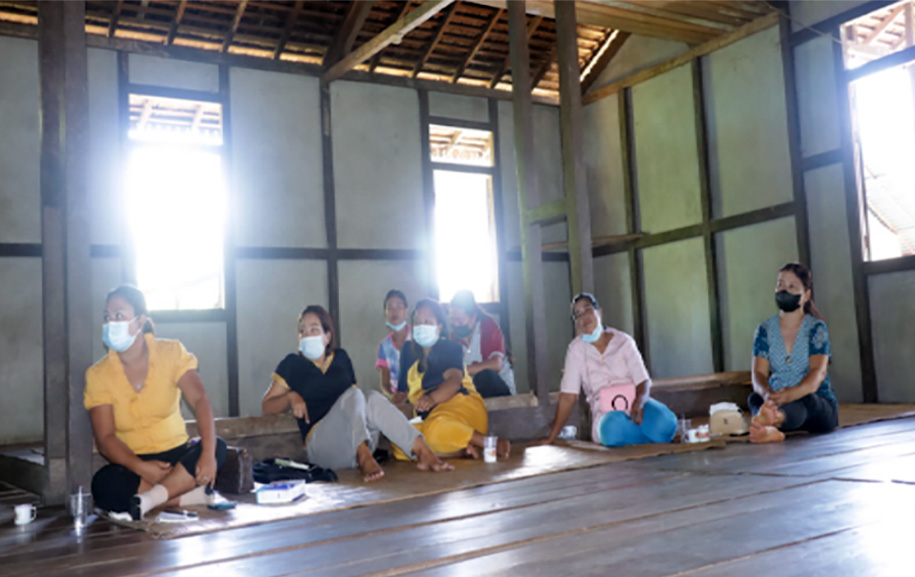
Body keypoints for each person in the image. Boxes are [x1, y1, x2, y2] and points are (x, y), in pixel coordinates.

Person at [85, 285, 227, 520]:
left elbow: (200, 398)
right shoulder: (98, 374)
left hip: (178, 459)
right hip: (135, 463)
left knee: (217, 447)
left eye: (119, 315)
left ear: (140, 321)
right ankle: (187, 496)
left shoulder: (171, 352)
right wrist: (141, 468)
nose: (111, 323)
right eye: (106, 317)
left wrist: (208, 454)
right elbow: (105, 439)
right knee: (104, 485)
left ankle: (149, 500)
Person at [261, 305, 451, 482]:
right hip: (322, 446)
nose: (306, 335)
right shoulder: (292, 364)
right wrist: (291, 396)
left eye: (314, 329)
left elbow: (359, 406)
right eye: (302, 331)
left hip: (355, 438)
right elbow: (267, 406)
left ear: (327, 336)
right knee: (354, 395)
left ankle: (423, 452)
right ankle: (363, 455)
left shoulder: (341, 358)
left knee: (372, 397)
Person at [537, 293, 677, 447]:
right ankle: (648, 440)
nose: (584, 316)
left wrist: (640, 401)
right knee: (613, 429)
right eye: (578, 314)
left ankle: (639, 438)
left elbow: (642, 381)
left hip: (637, 407)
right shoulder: (576, 350)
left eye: (587, 309)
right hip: (606, 416)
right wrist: (552, 437)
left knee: (666, 422)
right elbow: (568, 396)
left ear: (600, 312)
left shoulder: (624, 341)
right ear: (576, 323)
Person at [397, 298, 510, 459]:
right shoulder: (412, 367)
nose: (422, 326)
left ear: (439, 326)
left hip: (462, 409)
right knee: (399, 442)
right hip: (435, 418)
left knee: (434, 429)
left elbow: (454, 381)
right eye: (417, 322)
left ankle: (488, 443)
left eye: (428, 321)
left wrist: (432, 398)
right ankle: (460, 452)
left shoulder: (449, 348)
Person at [748, 263, 838, 443]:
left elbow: (817, 373)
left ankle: (774, 420)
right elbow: (758, 373)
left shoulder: (816, 327)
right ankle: (772, 422)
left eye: (792, 287)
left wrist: (792, 394)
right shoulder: (764, 330)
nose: (784, 290)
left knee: (808, 402)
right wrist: (767, 394)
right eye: (780, 284)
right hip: (777, 397)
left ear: (806, 295)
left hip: (813, 401)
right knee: (753, 398)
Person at [448, 290, 516, 398]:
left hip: (497, 390)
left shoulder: (487, 327)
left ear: (473, 317)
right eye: (453, 320)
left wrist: (462, 371)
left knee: (484, 376)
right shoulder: (455, 338)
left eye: (460, 321)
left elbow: (496, 365)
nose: (456, 324)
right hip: (473, 393)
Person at [375, 289, 411, 403]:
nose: (394, 311)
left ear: (406, 311)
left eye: (399, 307)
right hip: (397, 399)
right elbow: (385, 384)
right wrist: (392, 396)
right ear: (385, 313)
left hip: (420, 395)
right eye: (389, 307)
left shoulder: (417, 338)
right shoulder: (384, 346)